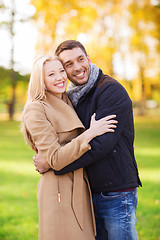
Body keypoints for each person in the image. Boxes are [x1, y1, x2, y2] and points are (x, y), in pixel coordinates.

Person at [33, 40, 142, 240]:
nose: (77, 68)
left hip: (116, 192)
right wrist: (51, 155)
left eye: (80, 59)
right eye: (69, 64)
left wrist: (53, 164)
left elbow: (101, 145)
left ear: (88, 59)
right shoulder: (71, 97)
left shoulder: (111, 91)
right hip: (89, 190)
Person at [21, 55, 118, 240]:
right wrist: (90, 133)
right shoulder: (36, 108)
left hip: (80, 185)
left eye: (61, 71)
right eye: (51, 74)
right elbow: (55, 159)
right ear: (40, 79)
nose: (60, 77)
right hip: (58, 190)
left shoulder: (68, 100)